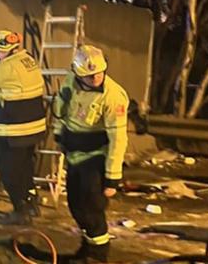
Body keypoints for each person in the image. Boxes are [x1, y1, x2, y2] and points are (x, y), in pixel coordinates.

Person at [54, 45, 128, 262]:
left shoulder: (113, 96)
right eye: (89, 75)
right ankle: (87, 248)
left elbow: (118, 139)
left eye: (99, 73)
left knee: (92, 208)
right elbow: (61, 109)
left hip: (96, 157)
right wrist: (60, 137)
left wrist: (112, 178)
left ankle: (98, 255)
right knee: (76, 205)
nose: (96, 78)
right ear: (78, 74)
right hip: (75, 155)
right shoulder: (71, 80)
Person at [0, 30, 45, 225]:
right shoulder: (27, 59)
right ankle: (31, 204)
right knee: (25, 168)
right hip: (32, 128)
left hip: (15, 130)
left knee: (10, 171)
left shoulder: (7, 67)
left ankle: (21, 211)